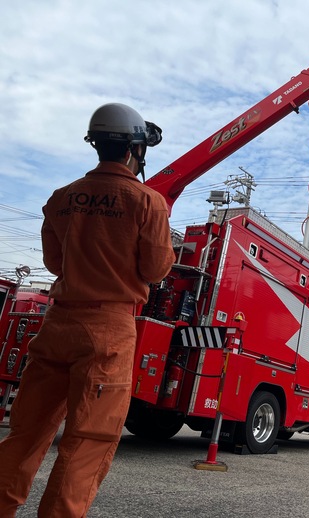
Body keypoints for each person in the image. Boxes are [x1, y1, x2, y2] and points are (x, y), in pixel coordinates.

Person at [0, 103, 176, 517]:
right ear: (136, 149)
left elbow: (54, 263)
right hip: (109, 330)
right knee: (88, 440)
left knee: (25, 432)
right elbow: (155, 268)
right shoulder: (147, 202)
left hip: (58, 322)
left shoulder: (61, 199)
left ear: (95, 144)